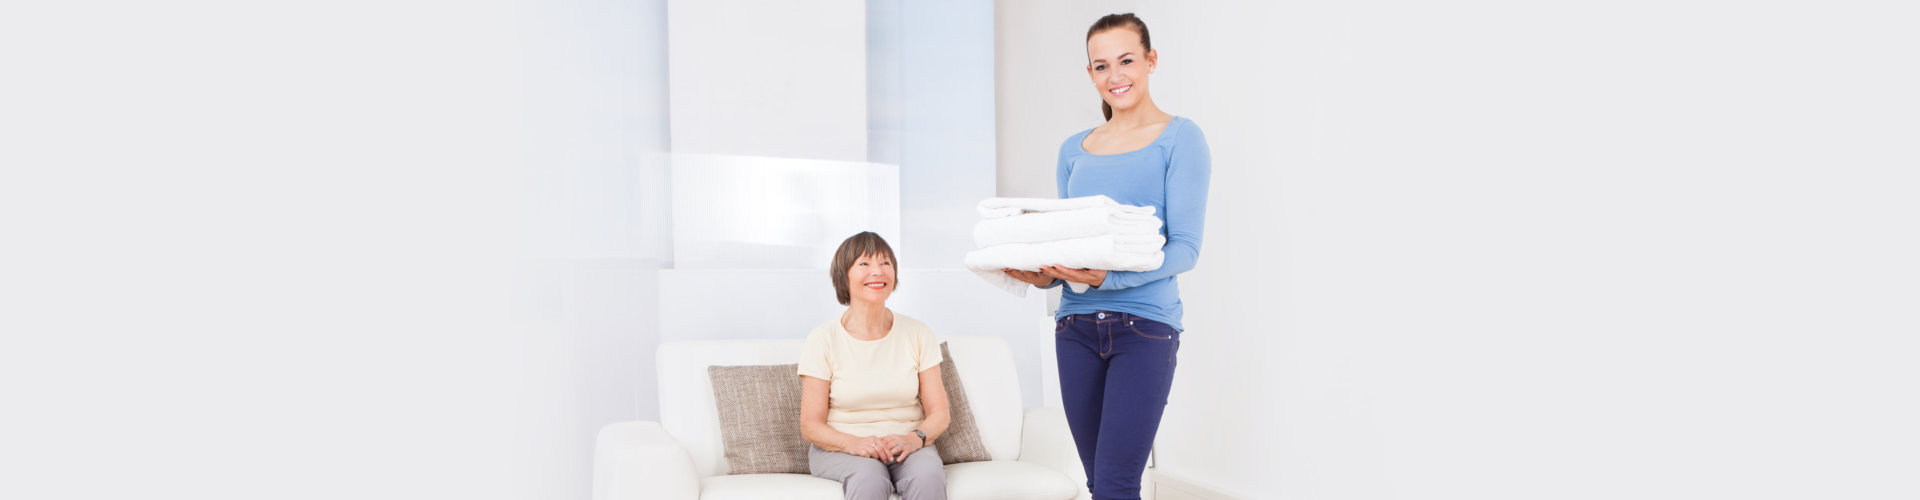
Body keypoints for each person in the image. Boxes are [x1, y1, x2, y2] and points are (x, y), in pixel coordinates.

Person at [1002, 12, 1211, 500]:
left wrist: (1105, 281)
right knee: (1099, 483)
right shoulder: (1074, 150)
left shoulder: (1181, 138)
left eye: (1126, 61)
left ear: (1150, 61)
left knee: (1116, 485)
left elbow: (1186, 248)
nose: (1115, 76)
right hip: (1074, 330)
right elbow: (1072, 249)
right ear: (1090, 74)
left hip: (1145, 328)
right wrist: (1044, 277)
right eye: (1101, 66)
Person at [799, 232, 951, 500]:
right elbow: (811, 425)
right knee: (869, 477)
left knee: (928, 475)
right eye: (864, 264)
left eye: (885, 263)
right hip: (843, 448)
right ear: (843, 275)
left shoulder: (918, 333)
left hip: (908, 446)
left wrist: (915, 438)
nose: (877, 272)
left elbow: (939, 413)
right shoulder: (823, 338)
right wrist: (856, 444)